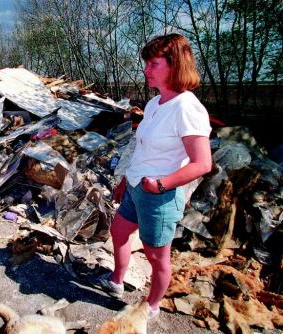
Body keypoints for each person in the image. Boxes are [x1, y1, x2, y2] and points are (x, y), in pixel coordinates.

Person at [95, 33, 212, 319]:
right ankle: (116, 282)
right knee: (119, 232)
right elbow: (142, 148)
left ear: (175, 65)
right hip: (137, 186)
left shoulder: (188, 108)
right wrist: (126, 179)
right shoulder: (154, 103)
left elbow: (202, 163)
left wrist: (162, 184)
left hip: (160, 196)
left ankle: (151, 307)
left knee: (157, 257)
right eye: (145, 63)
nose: (146, 70)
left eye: (153, 63)